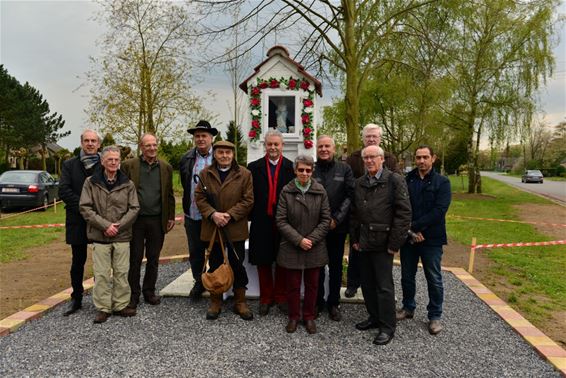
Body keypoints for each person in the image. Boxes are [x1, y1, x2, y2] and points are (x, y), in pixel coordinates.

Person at [350, 145, 411, 345]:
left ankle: (387, 326)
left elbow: (403, 214)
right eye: (365, 158)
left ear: (382, 159)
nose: (368, 161)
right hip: (364, 242)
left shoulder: (395, 180)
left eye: (372, 157)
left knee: (384, 287)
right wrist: (356, 240)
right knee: (367, 284)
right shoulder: (359, 183)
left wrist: (394, 243)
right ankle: (374, 317)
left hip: (384, 243)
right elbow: (355, 214)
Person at [79, 146, 140, 323]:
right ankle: (103, 307)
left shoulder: (128, 184)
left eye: (116, 159)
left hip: (121, 235)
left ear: (120, 161)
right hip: (100, 236)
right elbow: (85, 207)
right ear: (102, 161)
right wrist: (105, 226)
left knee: (121, 272)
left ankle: (120, 305)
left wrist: (118, 226)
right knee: (102, 273)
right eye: (110, 159)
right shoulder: (90, 182)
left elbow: (134, 208)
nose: (113, 162)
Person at [195, 140, 254, 321]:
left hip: (234, 227)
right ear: (215, 154)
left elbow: (248, 200)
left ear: (233, 155)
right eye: (220, 153)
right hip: (214, 229)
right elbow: (199, 197)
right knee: (215, 264)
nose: (224, 156)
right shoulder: (206, 174)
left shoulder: (244, 174)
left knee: (237, 265)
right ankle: (216, 301)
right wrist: (213, 214)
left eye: (228, 153)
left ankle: (240, 302)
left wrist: (228, 215)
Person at [397, 145, 451, 335]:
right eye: (418, 157)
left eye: (425, 157)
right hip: (409, 238)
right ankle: (408, 307)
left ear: (433, 158)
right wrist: (411, 230)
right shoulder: (407, 180)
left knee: (434, 278)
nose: (421, 161)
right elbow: (401, 206)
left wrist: (417, 227)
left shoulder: (442, 182)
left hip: (431, 239)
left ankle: (435, 316)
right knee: (406, 276)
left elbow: (439, 211)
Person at [276, 155, 331, 334]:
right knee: (292, 285)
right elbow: (281, 220)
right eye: (301, 170)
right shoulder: (286, 191)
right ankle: (293, 316)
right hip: (292, 245)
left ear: (312, 171)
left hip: (314, 246)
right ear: (295, 171)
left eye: (308, 170)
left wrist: (311, 240)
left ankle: (308, 316)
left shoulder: (320, 191)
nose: (304, 173)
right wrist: (299, 239)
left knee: (312, 284)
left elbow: (325, 219)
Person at [344, 123, 400, 298]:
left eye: (374, 136)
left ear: (380, 139)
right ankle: (353, 284)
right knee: (356, 252)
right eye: (368, 136)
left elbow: (396, 182)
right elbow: (348, 182)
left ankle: (379, 289)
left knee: (379, 260)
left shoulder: (389, 158)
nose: (371, 139)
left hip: (380, 216)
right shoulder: (353, 158)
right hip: (359, 212)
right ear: (363, 139)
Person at [121, 134, 175, 309]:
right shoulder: (129, 166)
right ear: (141, 147)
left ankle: (149, 291)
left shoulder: (166, 167)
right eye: (148, 145)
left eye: (154, 145)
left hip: (157, 221)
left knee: (153, 258)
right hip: (135, 221)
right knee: (135, 258)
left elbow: (169, 194)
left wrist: (171, 216)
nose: (152, 148)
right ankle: (133, 295)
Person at [247, 130, 295, 316]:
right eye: (270, 144)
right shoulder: (254, 167)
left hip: (284, 221)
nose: (273, 147)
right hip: (261, 220)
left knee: (283, 260)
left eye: (276, 144)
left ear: (282, 145)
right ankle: (266, 297)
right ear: (264, 145)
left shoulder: (291, 167)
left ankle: (281, 296)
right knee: (263, 260)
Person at [59, 129, 102, 316]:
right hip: (77, 220)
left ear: (99, 144)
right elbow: (64, 191)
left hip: (100, 220)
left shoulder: (106, 163)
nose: (90, 144)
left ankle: (103, 297)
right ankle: (76, 297)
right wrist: (85, 208)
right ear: (81, 142)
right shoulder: (69, 165)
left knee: (103, 260)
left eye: (93, 141)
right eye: (87, 140)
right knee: (78, 261)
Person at [313, 135, 354, 321]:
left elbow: (349, 196)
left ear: (334, 149)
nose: (324, 149)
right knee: (318, 267)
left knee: (336, 266)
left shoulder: (344, 169)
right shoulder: (311, 169)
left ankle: (334, 303)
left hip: (337, 227)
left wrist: (336, 218)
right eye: (320, 146)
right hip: (316, 227)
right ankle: (318, 302)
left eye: (327, 146)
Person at [179, 120, 217, 300]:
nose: (201, 139)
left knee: (216, 249)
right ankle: (198, 281)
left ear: (211, 138)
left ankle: (216, 281)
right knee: (195, 251)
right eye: (197, 136)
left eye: (204, 136)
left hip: (213, 214)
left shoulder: (220, 156)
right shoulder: (186, 158)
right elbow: (184, 184)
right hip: (192, 213)